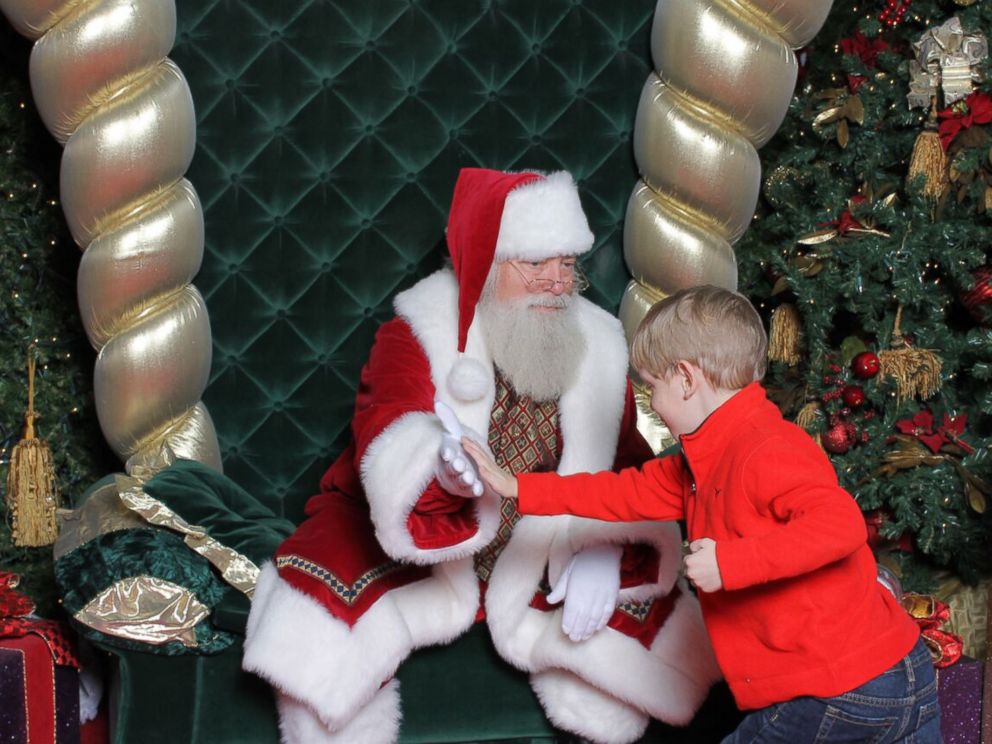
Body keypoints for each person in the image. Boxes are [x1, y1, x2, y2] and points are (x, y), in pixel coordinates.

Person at [243, 168, 721, 744]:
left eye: (568, 265)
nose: (555, 282)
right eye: (536, 264)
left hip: (542, 537)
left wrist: (607, 548)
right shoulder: (419, 329)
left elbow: (629, 463)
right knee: (320, 615)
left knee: (661, 639)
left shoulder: (596, 344)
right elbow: (386, 426)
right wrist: (438, 469)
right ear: (489, 263)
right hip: (430, 531)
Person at [464, 284, 941, 743]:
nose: (652, 401)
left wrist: (731, 563)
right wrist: (518, 487)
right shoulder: (703, 462)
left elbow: (840, 525)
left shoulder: (765, 449)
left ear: (687, 379)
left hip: (842, 688)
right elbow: (620, 493)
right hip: (897, 675)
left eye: (653, 387)